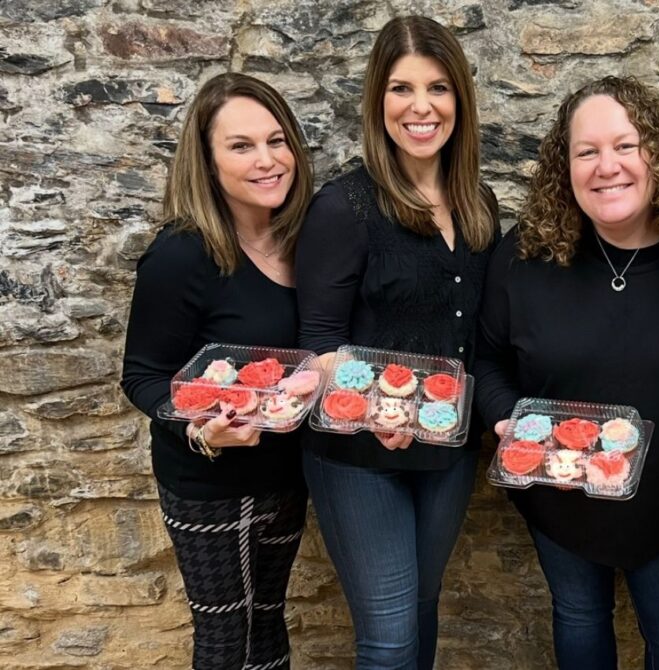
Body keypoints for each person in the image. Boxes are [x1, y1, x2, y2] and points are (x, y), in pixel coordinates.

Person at [475, 76, 659, 670]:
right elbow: (486, 357)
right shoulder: (526, 254)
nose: (608, 166)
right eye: (587, 151)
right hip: (561, 495)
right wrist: (508, 421)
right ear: (566, 166)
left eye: (626, 145)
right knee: (579, 621)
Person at [294, 16, 499, 670]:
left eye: (437, 88)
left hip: (448, 448)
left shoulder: (479, 203)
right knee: (386, 635)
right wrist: (373, 413)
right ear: (377, 100)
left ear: (459, 100)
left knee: (422, 608)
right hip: (359, 455)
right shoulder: (344, 208)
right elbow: (320, 340)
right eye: (401, 88)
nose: (421, 107)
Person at [121, 72, 314, 669]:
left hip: (287, 474)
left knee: (268, 623)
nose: (267, 160)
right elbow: (143, 374)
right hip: (209, 480)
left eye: (277, 140)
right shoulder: (182, 255)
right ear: (206, 161)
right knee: (226, 636)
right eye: (241, 146)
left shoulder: (307, 241)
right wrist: (200, 429)